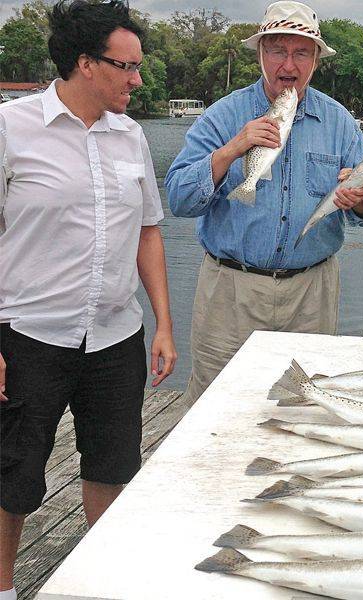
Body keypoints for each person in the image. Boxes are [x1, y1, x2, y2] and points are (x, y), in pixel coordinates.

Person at [0, 2, 177, 597]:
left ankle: (98, 583)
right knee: (12, 476)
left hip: (114, 336)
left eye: (138, 67)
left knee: (113, 464)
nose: (137, 79)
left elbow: (149, 231)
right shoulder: (10, 128)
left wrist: (163, 324)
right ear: (84, 63)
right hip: (28, 335)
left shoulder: (132, 138)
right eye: (126, 67)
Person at [166, 1, 363, 402]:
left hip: (312, 296)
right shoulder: (222, 116)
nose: (289, 63)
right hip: (229, 295)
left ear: (316, 61)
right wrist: (232, 149)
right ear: (260, 54)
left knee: (304, 409)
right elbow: (180, 198)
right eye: (278, 50)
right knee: (216, 408)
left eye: (302, 52)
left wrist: (358, 197)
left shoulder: (339, 121)